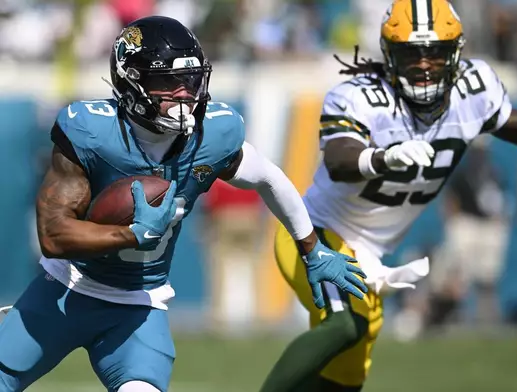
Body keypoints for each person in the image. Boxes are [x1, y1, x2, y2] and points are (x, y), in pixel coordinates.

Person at [259, 1, 517, 391]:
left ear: (455, 55)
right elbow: (341, 158)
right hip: (314, 235)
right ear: (390, 55)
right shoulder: (359, 96)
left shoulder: (473, 92)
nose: (424, 65)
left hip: (366, 253)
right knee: (345, 325)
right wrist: (382, 157)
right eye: (412, 54)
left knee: (344, 376)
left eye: (435, 54)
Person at [0, 16, 367, 392]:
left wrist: (312, 250)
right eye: (166, 82)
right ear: (131, 82)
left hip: (138, 305)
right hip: (65, 290)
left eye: (189, 80)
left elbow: (269, 178)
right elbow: (54, 235)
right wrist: (130, 234)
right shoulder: (93, 132)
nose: (182, 93)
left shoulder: (214, 133)